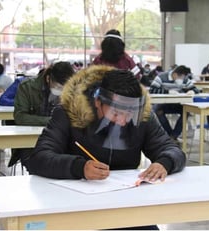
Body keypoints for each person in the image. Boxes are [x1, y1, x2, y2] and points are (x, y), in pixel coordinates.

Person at [26, 66, 186, 229]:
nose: (123, 121)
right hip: (76, 204)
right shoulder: (68, 113)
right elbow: (39, 157)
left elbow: (171, 149)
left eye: (130, 114)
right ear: (98, 102)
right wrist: (79, 167)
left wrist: (165, 162)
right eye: (116, 113)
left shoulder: (143, 117)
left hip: (126, 203)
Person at [9, 61, 74, 167]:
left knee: (69, 163)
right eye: (58, 87)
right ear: (48, 79)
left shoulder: (71, 92)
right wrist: (52, 121)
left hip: (59, 139)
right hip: (30, 142)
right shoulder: (27, 87)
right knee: (40, 163)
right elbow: (20, 117)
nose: (61, 91)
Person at [149, 65, 200, 141]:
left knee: (186, 111)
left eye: (183, 78)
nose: (182, 80)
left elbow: (196, 89)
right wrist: (167, 92)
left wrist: (192, 91)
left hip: (178, 104)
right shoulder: (161, 77)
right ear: (175, 74)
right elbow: (152, 90)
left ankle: (174, 135)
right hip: (164, 103)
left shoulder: (185, 79)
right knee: (157, 110)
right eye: (180, 77)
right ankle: (170, 134)